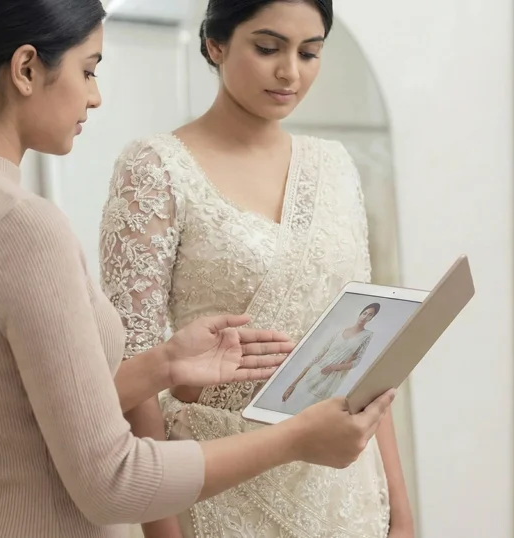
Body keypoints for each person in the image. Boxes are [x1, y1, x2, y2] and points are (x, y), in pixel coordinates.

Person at [0, 1, 396, 537]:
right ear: (25, 69)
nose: (95, 94)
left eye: (310, 51)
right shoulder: (23, 224)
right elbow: (113, 478)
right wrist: (296, 439)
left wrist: (163, 364)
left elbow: (19, 411)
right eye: (88, 70)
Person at [98, 0, 415, 536]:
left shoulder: (335, 167)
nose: (290, 71)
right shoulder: (155, 168)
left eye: (309, 53)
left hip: (344, 485)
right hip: (220, 479)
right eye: (268, 48)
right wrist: (164, 528)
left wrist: (401, 514)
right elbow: (137, 368)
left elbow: (366, 347)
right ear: (215, 44)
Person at [280, 303, 380, 412]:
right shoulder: (339, 332)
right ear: (360, 314)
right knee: (288, 410)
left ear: (372, 318)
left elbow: (357, 361)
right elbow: (317, 357)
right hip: (313, 374)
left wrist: (336, 367)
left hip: (328, 382)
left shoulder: (367, 335)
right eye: (364, 313)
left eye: (369, 315)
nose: (365, 317)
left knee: (307, 415)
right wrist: (292, 385)